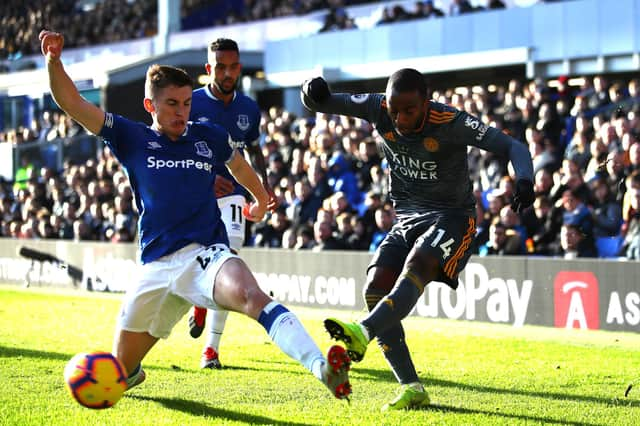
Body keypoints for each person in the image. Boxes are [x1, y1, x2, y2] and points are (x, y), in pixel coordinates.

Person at [40, 30, 351, 401]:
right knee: (118, 374)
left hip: (206, 255)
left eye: (187, 103)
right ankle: (132, 371)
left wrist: (260, 198)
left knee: (252, 296)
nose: (182, 112)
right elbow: (72, 102)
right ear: (149, 105)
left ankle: (323, 369)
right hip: (155, 266)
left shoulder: (209, 136)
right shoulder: (130, 136)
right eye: (172, 103)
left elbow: (239, 165)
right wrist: (54, 61)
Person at [301, 68, 534, 410]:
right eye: (394, 110)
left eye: (408, 110)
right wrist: (311, 91)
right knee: (374, 287)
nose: (398, 118)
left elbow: (512, 145)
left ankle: (362, 331)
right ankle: (412, 387)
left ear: (426, 103)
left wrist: (525, 180)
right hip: (408, 215)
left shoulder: (450, 121)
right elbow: (320, 102)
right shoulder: (377, 107)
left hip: (453, 216)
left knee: (417, 265)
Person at [188, 38, 277, 370]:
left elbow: (254, 150)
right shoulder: (191, 103)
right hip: (195, 193)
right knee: (196, 261)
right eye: (220, 67)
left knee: (229, 259)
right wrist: (206, 178)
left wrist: (263, 188)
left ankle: (210, 350)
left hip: (235, 195)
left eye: (233, 66)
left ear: (239, 68)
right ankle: (199, 301)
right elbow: (176, 144)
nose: (227, 73)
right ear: (209, 69)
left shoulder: (249, 108)